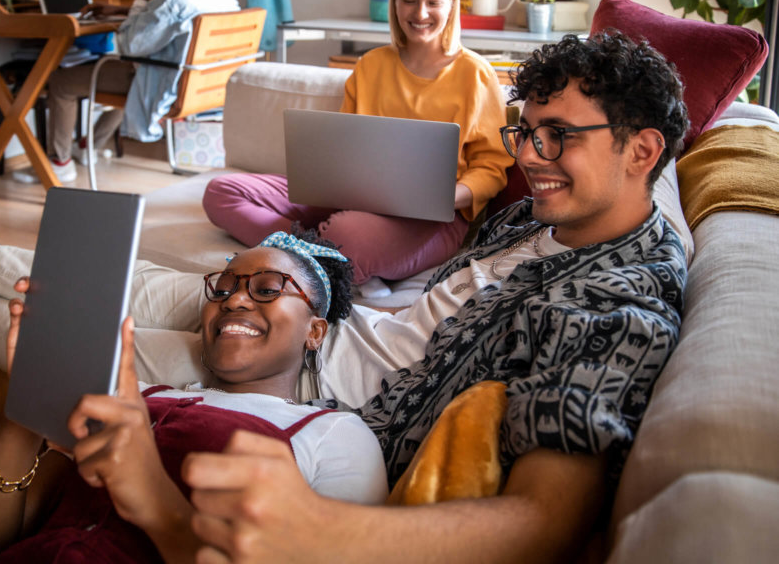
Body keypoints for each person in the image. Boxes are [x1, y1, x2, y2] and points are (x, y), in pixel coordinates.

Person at [176, 30, 691, 562]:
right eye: (526, 133)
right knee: (139, 283)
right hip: (337, 330)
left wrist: (319, 527)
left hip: (313, 390)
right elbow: (443, 316)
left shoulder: (614, 303)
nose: (531, 160)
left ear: (642, 151)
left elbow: (544, 520)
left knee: (109, 345)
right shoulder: (536, 220)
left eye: (558, 135)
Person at [0, 228, 388, 563]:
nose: (234, 301)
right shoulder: (140, 398)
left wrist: (155, 497)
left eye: (268, 289)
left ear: (314, 331)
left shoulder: (336, 436)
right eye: (225, 287)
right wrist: (26, 408)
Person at [201, 0, 511, 293]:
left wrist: (450, 197)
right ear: (394, 2)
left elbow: (492, 167)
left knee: (347, 233)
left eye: (434, 2)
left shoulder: (476, 74)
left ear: (451, 4)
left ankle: (316, 253)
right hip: (357, 199)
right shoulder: (371, 65)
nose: (421, 12)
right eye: (410, 0)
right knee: (222, 192)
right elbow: (344, 143)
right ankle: (318, 254)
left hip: (433, 218)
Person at [36, 0, 238, 182]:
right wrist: (121, 10)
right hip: (203, 83)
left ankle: (61, 163)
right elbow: (171, 16)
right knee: (120, 72)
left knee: (61, 81)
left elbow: (130, 45)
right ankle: (88, 146)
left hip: (162, 84)